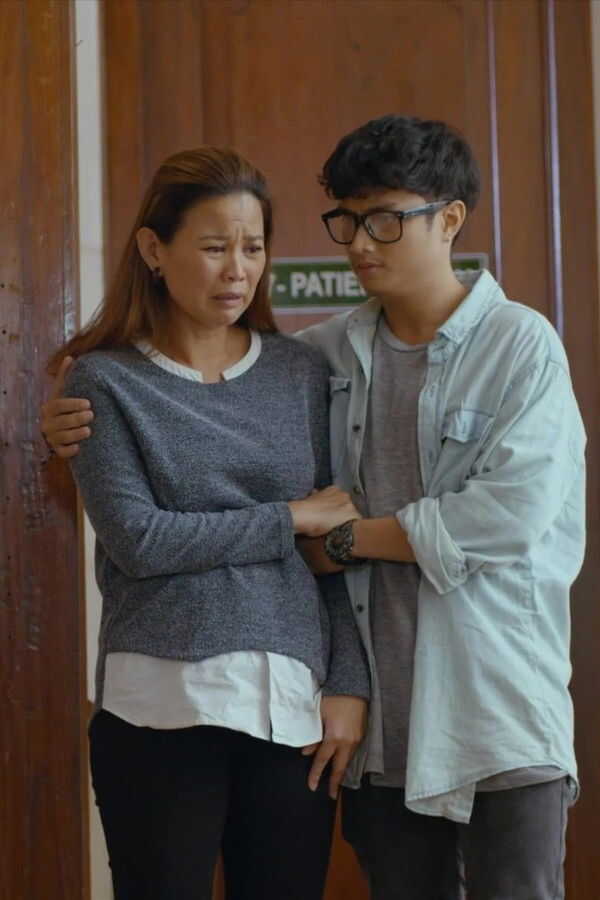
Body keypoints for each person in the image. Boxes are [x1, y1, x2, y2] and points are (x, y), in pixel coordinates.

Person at [44, 116, 586, 900]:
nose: (360, 243)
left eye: (384, 221)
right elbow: (156, 508)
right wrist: (59, 424)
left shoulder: (514, 346)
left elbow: (505, 517)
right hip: (366, 726)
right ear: (154, 251)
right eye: (348, 221)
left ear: (450, 220)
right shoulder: (326, 356)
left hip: (489, 705)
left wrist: (344, 544)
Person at [45, 146, 370, 900]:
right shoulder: (104, 380)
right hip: (158, 702)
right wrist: (287, 517)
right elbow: (140, 541)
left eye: (253, 248)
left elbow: (331, 552)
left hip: (290, 707)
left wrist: (349, 684)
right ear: (154, 249)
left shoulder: (299, 373)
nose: (237, 270)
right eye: (215, 247)